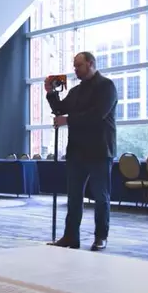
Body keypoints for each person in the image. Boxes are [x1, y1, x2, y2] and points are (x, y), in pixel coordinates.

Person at [46, 52, 118, 251]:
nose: (75, 69)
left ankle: (100, 237)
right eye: (74, 65)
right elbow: (60, 110)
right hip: (77, 150)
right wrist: (51, 93)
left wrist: (67, 120)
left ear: (91, 64)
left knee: (101, 197)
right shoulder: (76, 91)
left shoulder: (107, 86)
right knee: (74, 197)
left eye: (79, 65)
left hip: (99, 150)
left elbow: (97, 115)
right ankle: (71, 237)